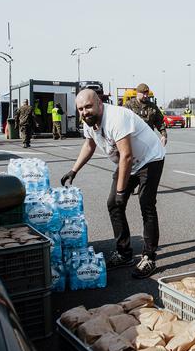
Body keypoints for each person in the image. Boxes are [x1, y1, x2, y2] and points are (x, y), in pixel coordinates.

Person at [61, 89, 165, 278]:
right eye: (80, 109)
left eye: (88, 106)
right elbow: (89, 145)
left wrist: (121, 191)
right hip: (130, 162)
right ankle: (124, 253)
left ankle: (149, 257)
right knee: (113, 205)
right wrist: (73, 170)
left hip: (149, 158)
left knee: (146, 204)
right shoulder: (89, 122)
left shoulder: (115, 118)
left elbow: (126, 155)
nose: (85, 112)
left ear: (100, 104)